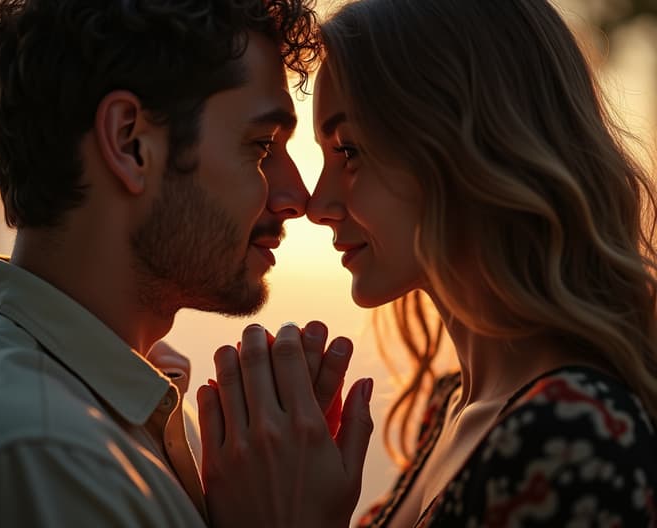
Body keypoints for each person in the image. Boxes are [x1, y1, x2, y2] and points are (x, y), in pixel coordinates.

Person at [199, 0, 657, 526]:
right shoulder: (455, 410)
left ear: (468, 149)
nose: (317, 205)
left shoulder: (576, 436)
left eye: (349, 152)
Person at [0, 0, 360, 526]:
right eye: (261, 147)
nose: (295, 197)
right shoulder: (47, 455)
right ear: (130, 143)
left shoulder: (123, 413)